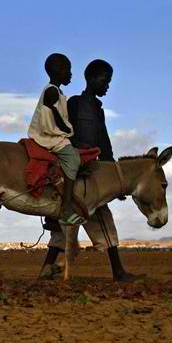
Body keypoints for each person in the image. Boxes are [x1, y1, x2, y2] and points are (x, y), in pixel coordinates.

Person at [39, 59, 143, 282]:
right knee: (99, 218)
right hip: (79, 170)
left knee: (69, 221)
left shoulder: (98, 110)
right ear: (91, 79)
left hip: (93, 170)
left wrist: (117, 179)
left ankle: (47, 268)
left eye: (109, 82)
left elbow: (104, 146)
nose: (107, 86)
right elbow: (62, 131)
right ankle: (118, 272)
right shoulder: (74, 103)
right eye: (104, 81)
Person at [27, 53, 85, 228]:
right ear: (59, 71)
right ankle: (66, 208)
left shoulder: (57, 91)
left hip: (55, 133)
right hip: (48, 136)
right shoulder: (51, 91)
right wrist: (67, 131)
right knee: (73, 159)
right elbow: (50, 120)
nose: (71, 74)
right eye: (68, 70)